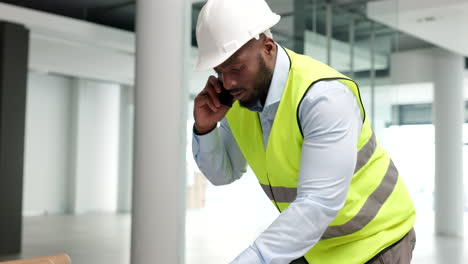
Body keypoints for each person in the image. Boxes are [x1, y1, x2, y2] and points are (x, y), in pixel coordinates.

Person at [191, 0, 416, 263]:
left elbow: (318, 203)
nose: (228, 82)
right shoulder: (241, 100)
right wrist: (205, 129)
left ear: (268, 48)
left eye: (236, 68)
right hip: (315, 244)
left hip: (375, 238)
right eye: (220, 71)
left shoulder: (323, 98)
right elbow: (223, 173)